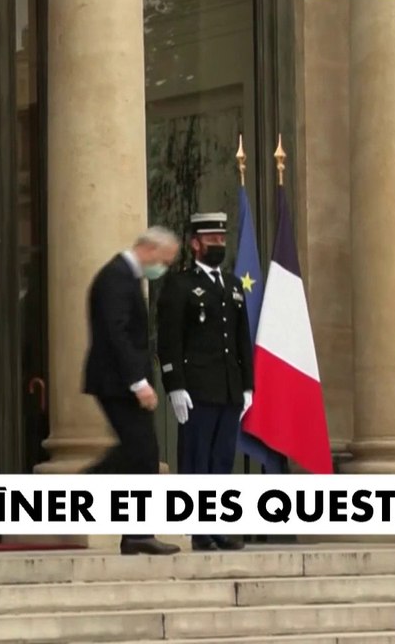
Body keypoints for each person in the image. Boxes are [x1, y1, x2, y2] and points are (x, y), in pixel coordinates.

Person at [156, 211, 252, 552]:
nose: (218, 246)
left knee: (221, 462)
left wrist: (247, 386)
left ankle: (219, 526)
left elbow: (242, 340)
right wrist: (175, 386)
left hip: (228, 389)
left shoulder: (233, 285)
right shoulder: (179, 285)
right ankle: (198, 530)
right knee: (197, 462)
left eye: (222, 241)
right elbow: (169, 340)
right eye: (212, 241)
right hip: (196, 390)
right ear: (195, 244)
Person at [83, 227, 181, 556]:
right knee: (142, 452)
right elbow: (116, 334)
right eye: (164, 261)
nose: (162, 268)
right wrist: (138, 383)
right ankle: (93, 484)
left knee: (141, 453)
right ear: (150, 249)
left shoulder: (125, 276)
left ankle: (135, 533)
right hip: (117, 381)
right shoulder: (116, 277)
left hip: (119, 380)